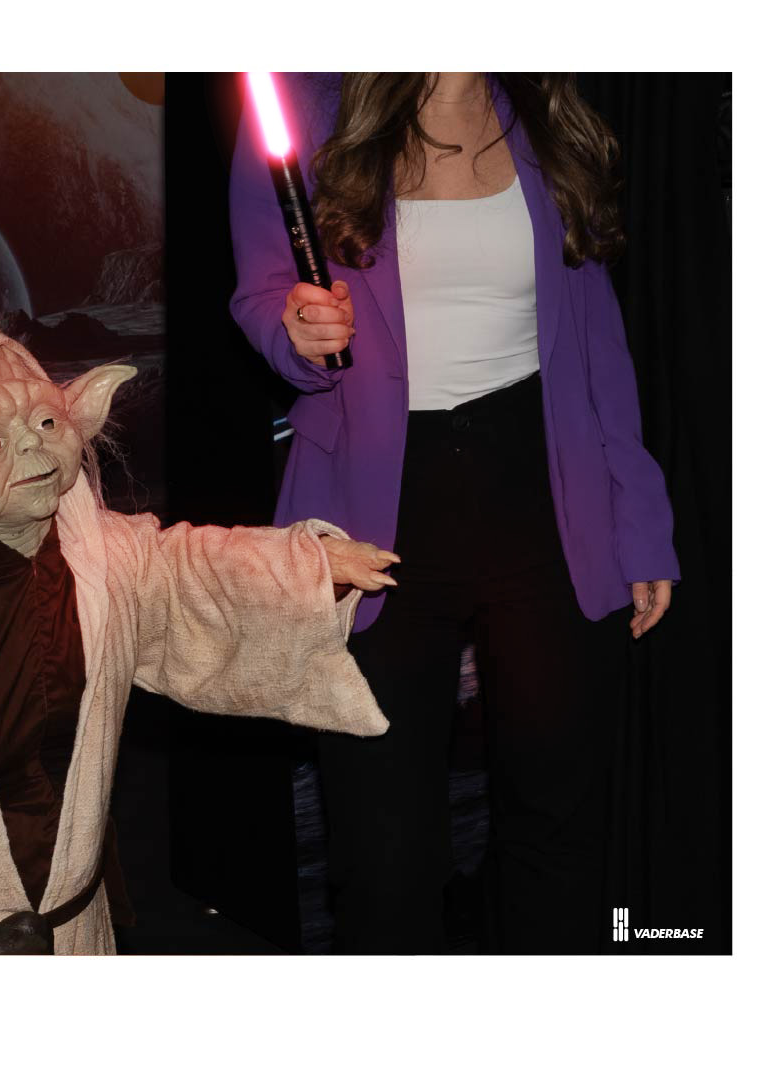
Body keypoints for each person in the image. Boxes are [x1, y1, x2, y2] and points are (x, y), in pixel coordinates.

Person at [0, 303, 398, 954]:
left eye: (45, 421)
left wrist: (306, 568)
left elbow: (182, 573)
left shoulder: (100, 569)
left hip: (73, 928)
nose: (33, 445)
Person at [229, 73, 679, 954]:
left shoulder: (544, 110)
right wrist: (296, 332)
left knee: (556, 826)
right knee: (383, 857)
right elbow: (261, 293)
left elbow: (596, 339)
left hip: (549, 496)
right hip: (370, 513)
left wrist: (639, 513)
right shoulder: (302, 109)